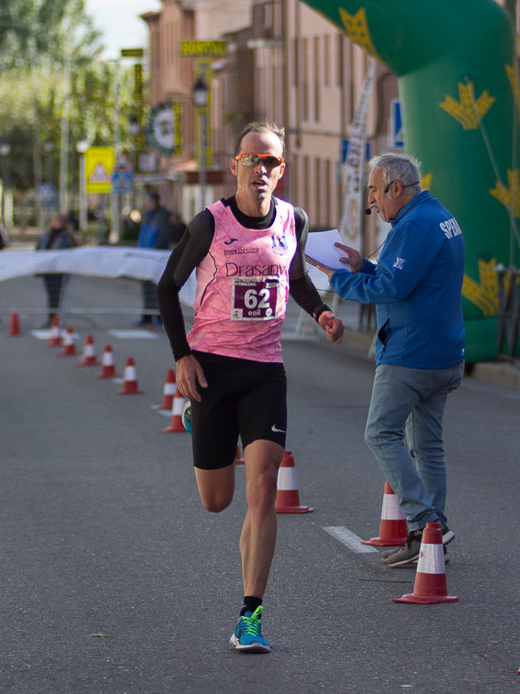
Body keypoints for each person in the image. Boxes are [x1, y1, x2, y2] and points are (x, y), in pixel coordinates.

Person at [156, 121, 344, 653]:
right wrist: (182, 357)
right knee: (218, 502)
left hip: (265, 369)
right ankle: (201, 418)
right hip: (212, 368)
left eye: (271, 163)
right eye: (252, 160)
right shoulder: (208, 223)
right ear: (235, 164)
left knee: (263, 490)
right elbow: (167, 290)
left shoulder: (293, 220)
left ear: (281, 171)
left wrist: (323, 312)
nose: (261, 170)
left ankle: (250, 616)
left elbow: (298, 280)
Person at [308, 152, 465, 568]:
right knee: (427, 445)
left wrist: (336, 277)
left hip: (411, 352)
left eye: (375, 191)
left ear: (397, 188)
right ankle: (435, 535)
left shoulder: (412, 226)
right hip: (445, 351)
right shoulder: (438, 216)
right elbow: (411, 275)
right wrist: (365, 265)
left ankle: (425, 523)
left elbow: (392, 287)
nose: (372, 201)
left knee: (380, 433)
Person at [135, 192, 171, 326]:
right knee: (147, 288)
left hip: (153, 258)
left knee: (154, 288)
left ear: (155, 202)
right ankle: (148, 315)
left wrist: (154, 254)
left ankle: (157, 316)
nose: (146, 204)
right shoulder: (148, 217)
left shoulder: (161, 217)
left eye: (148, 201)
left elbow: (163, 238)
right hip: (144, 258)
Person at [35, 213, 76, 326]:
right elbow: (39, 249)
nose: (57, 223)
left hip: (59, 270)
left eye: (60, 221)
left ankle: (56, 319)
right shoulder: (47, 235)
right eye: (56, 221)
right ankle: (51, 319)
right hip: (47, 269)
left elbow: (73, 251)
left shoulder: (67, 237)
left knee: (57, 295)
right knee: (50, 295)